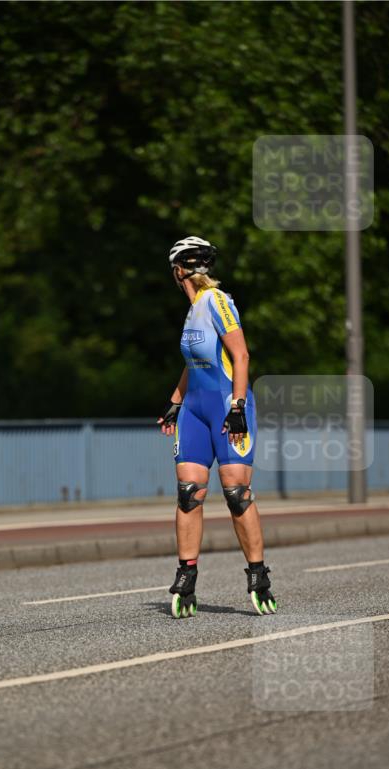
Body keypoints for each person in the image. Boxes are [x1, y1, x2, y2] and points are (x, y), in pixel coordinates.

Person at [157, 236, 278, 618]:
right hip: (194, 410)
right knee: (189, 493)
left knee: (236, 493)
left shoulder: (217, 301)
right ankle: (186, 576)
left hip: (228, 405)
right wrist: (175, 403)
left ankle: (258, 575)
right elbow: (194, 364)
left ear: (178, 272)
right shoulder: (193, 310)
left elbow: (241, 355)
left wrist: (238, 407)